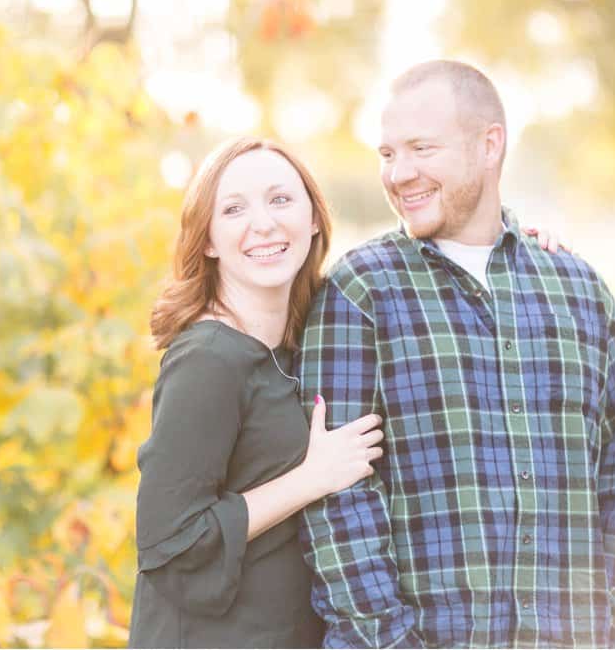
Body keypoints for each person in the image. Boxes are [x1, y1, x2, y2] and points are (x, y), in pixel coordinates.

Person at [129, 134, 570, 649]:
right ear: (206, 239)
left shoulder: (311, 330)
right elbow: (168, 542)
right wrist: (309, 479)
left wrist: (506, 245)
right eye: (233, 209)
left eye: (280, 200)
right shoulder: (207, 359)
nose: (264, 223)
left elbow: (413, 274)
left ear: (314, 218)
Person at [296, 60, 615, 649]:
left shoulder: (578, 290)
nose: (399, 174)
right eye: (387, 154)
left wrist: (606, 619)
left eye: (421, 149)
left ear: (490, 145)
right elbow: (338, 500)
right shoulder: (362, 291)